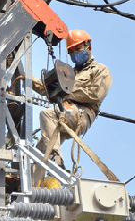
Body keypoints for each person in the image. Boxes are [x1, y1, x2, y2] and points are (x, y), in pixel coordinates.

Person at [33, 30, 112, 169]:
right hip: (66, 111)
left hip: (82, 113)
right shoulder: (69, 73)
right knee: (40, 149)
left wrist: (66, 92)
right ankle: (26, 181)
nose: (75, 53)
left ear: (89, 48)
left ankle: (55, 158)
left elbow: (96, 94)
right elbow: (46, 89)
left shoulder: (100, 70)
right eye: (72, 51)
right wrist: (26, 78)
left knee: (48, 114)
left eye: (78, 49)